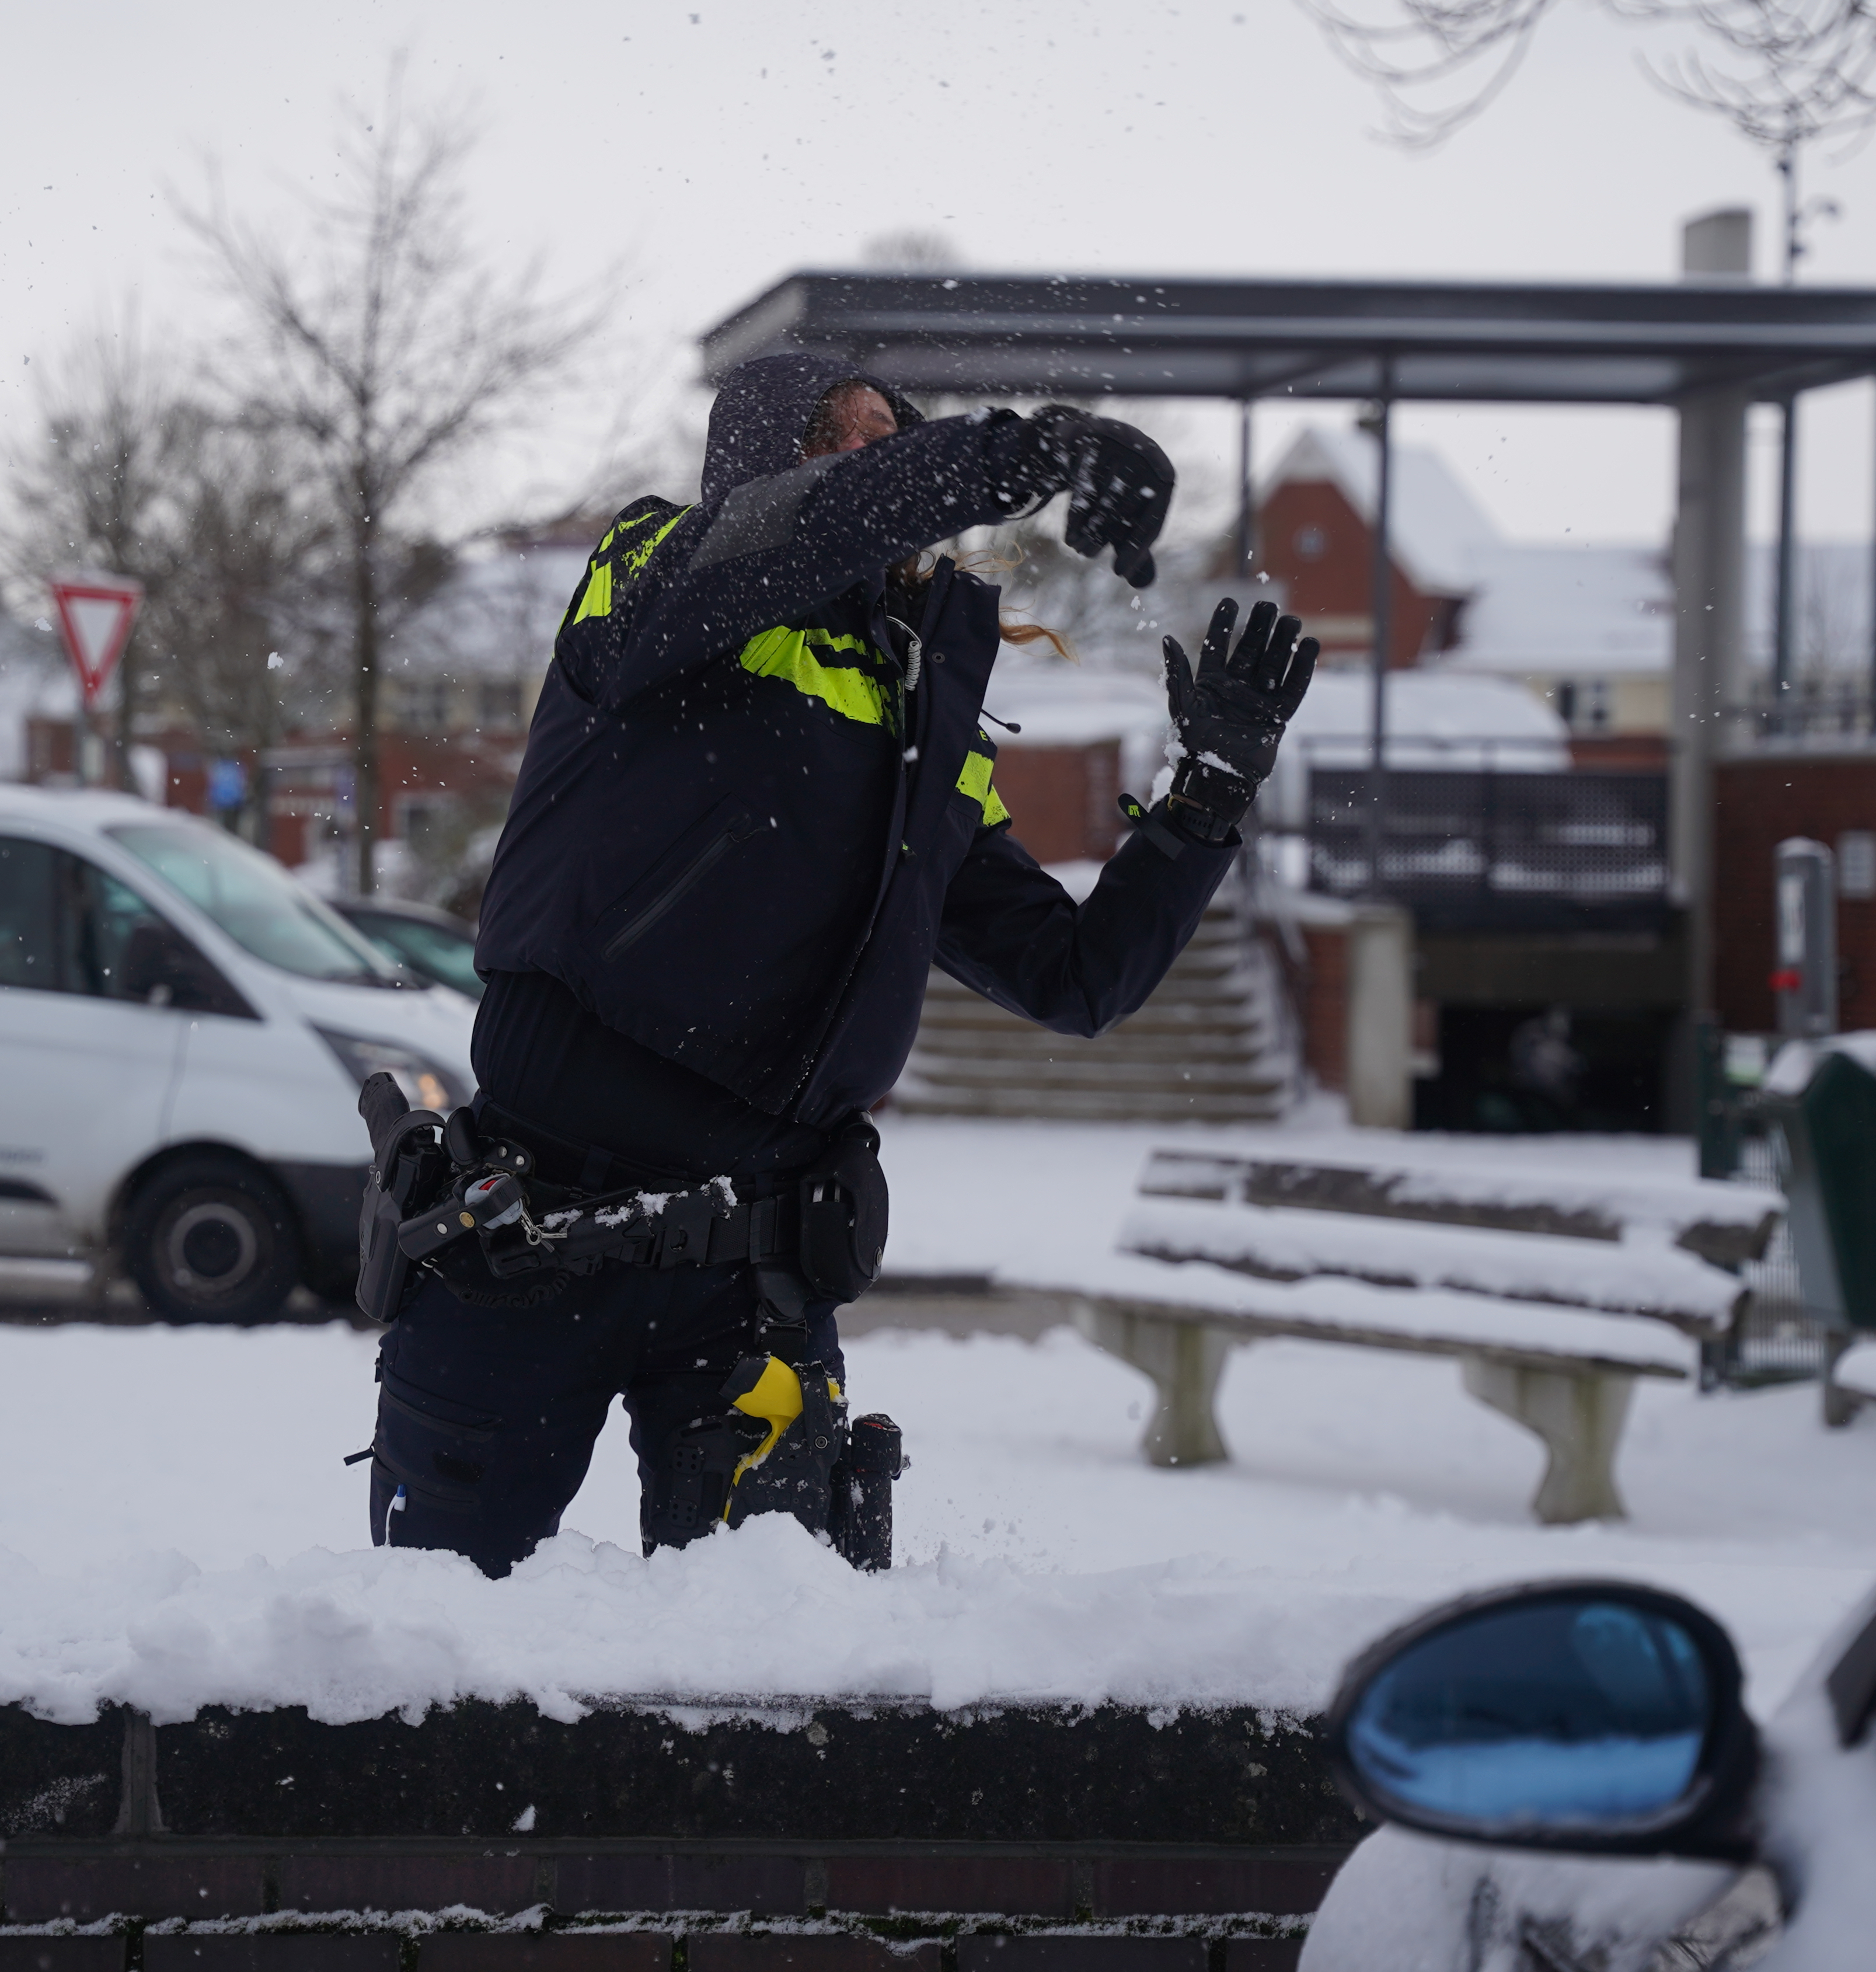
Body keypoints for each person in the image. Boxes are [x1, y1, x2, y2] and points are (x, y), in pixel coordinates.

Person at [350, 351, 1318, 1577]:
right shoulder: (648, 577)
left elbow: (1078, 979)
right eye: (844, 435)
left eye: (891, 437)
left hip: (755, 1281)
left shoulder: (916, 725)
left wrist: (1208, 801)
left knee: (766, 1703)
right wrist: (1019, 452)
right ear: (762, 459)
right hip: (525, 1245)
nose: (878, 460)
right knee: (430, 1669)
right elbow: (804, 530)